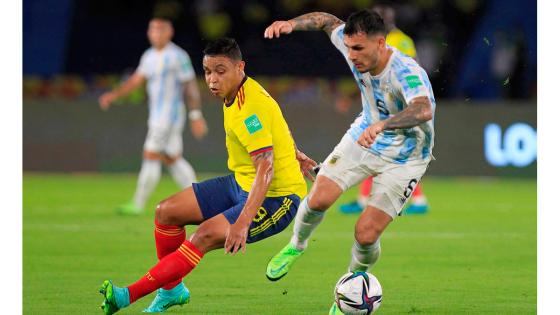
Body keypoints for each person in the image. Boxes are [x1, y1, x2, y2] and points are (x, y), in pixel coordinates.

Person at [98, 37, 317, 314]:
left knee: (202, 236)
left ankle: (126, 296)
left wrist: (242, 222)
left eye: (220, 71)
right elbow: (276, 125)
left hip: (277, 197)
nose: (212, 79)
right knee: (166, 212)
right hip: (241, 183)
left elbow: (266, 167)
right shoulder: (240, 93)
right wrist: (296, 152)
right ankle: (173, 291)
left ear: (240, 67)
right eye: (208, 71)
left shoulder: (249, 107)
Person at [264, 9, 436, 313]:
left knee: (366, 233)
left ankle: (352, 285)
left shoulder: (406, 71)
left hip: (407, 157)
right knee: (318, 198)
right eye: (349, 47)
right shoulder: (349, 43)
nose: (352, 55)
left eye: (359, 49)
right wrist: (290, 24)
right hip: (364, 136)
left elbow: (423, 110)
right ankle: (296, 245)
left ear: (380, 44)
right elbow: (324, 20)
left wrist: (384, 124)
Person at [99, 17, 208, 215]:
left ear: (169, 32)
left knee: (150, 155)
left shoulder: (177, 56)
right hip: (157, 117)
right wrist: (114, 95)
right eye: (152, 30)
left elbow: (190, 86)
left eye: (160, 30)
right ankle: (202, 199)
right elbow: (136, 81)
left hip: (169, 117)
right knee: (172, 158)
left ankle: (137, 204)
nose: (155, 34)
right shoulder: (149, 56)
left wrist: (196, 115)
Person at [338, 4, 429, 215]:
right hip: (382, 103)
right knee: (380, 148)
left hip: (399, 105)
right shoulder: (376, 41)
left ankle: (416, 200)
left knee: (383, 149)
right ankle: (410, 199)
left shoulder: (400, 40)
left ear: (388, 19)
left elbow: (411, 70)